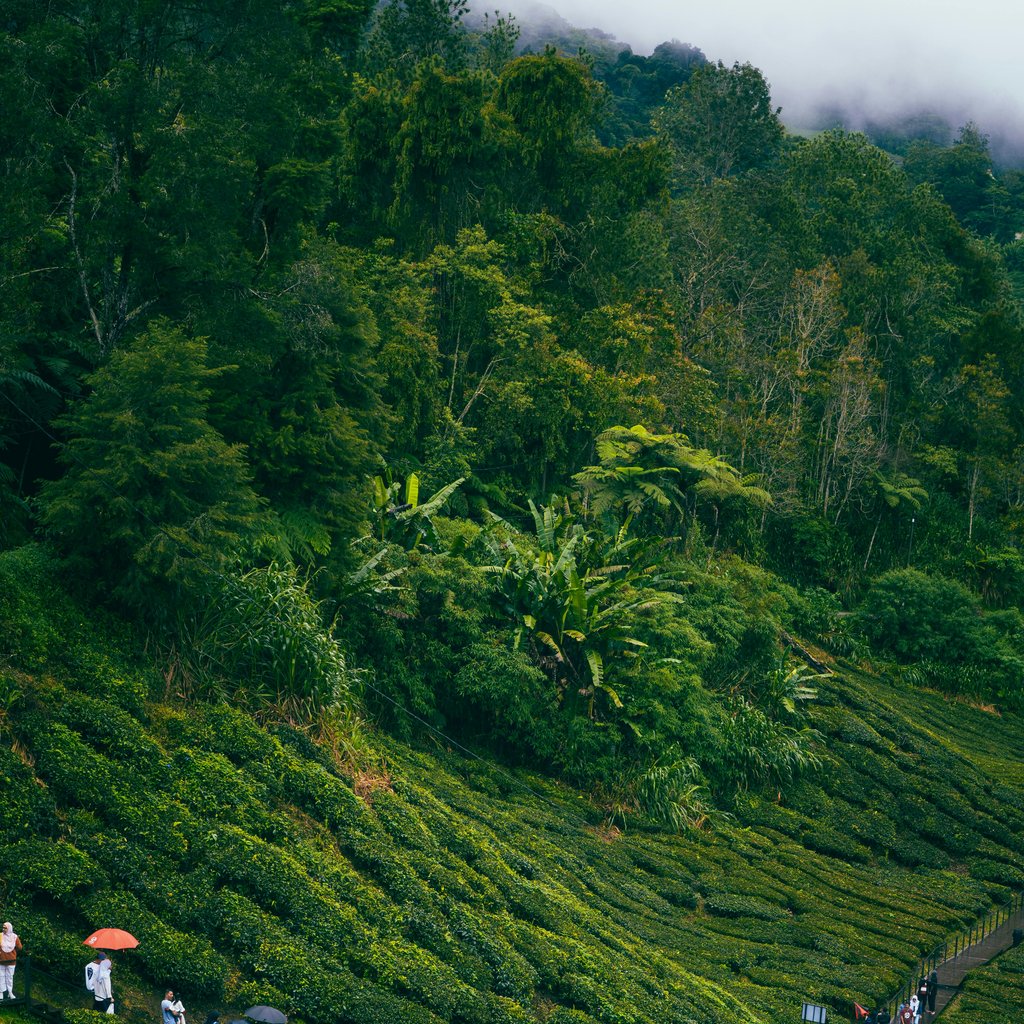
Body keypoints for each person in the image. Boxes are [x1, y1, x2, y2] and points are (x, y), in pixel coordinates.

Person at [0, 922, 22, 1000]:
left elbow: (19, 947)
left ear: (9, 928)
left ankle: (10, 992)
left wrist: (13, 952)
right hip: (1, 960)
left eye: (5, 928)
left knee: (9, 977)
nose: (3, 929)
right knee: (1, 976)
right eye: (3, 927)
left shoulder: (14, 937)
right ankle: (1, 992)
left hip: (11, 961)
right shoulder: (0, 935)